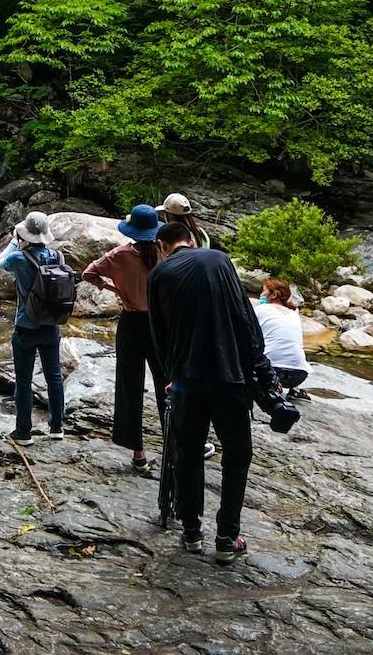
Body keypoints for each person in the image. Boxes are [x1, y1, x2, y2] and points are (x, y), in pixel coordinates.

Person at [148, 222, 272, 564]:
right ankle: (227, 537)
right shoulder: (219, 259)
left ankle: (191, 531)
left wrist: (171, 375)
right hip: (229, 377)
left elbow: (158, 334)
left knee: (187, 454)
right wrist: (258, 367)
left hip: (188, 381)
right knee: (238, 454)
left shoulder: (159, 274)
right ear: (191, 240)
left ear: (162, 245)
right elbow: (244, 317)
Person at [82, 204, 166, 472]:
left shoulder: (118, 256)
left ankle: (138, 453)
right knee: (167, 384)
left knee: (129, 386)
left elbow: (88, 273)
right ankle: (175, 443)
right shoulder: (165, 253)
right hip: (160, 324)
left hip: (131, 323)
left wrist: (112, 287)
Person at [0, 210, 71, 442]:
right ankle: (57, 427)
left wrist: (14, 242)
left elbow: (0, 263)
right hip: (51, 325)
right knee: (54, 376)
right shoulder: (58, 257)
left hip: (26, 327)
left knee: (24, 380)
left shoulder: (19, 258)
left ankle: (23, 431)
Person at [251, 278, 309, 397]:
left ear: (274, 294)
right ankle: (296, 391)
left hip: (272, 372)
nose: (261, 294)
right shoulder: (294, 313)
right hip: (299, 375)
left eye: (263, 291)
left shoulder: (261, 310)